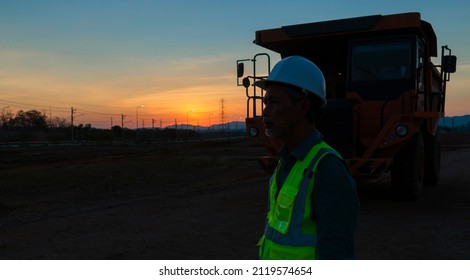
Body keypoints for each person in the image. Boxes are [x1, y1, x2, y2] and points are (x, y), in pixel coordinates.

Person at [255, 56, 360, 260]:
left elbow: (337, 254)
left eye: (274, 102)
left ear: (303, 107)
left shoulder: (328, 168)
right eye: (265, 102)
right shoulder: (287, 161)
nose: (265, 111)